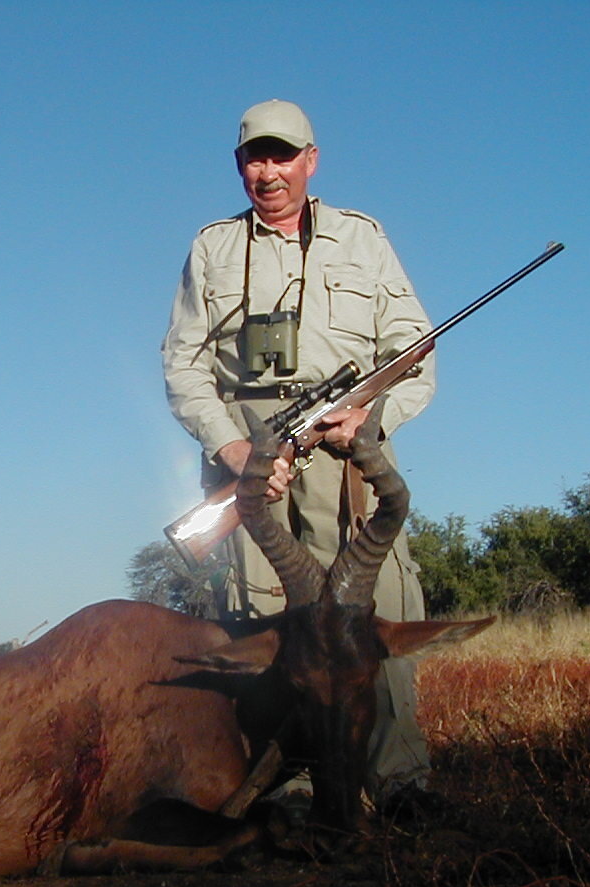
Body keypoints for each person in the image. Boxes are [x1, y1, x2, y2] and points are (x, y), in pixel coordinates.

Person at [161, 99, 437, 812]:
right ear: (240, 165)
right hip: (255, 472)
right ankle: (294, 779)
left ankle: (401, 782)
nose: (269, 171)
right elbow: (184, 367)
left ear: (311, 160)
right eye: (257, 157)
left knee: (377, 615)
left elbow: (415, 357)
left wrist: (367, 420)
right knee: (267, 623)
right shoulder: (212, 248)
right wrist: (231, 448)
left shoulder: (363, 239)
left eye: (283, 156)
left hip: (351, 466)